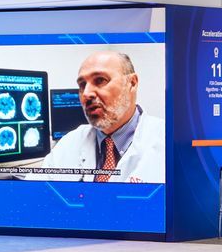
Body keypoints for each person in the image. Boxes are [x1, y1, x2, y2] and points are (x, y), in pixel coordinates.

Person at [49, 49, 164, 182]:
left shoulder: (167, 143)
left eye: (100, 80)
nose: (86, 93)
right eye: (82, 85)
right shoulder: (68, 144)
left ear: (132, 83)